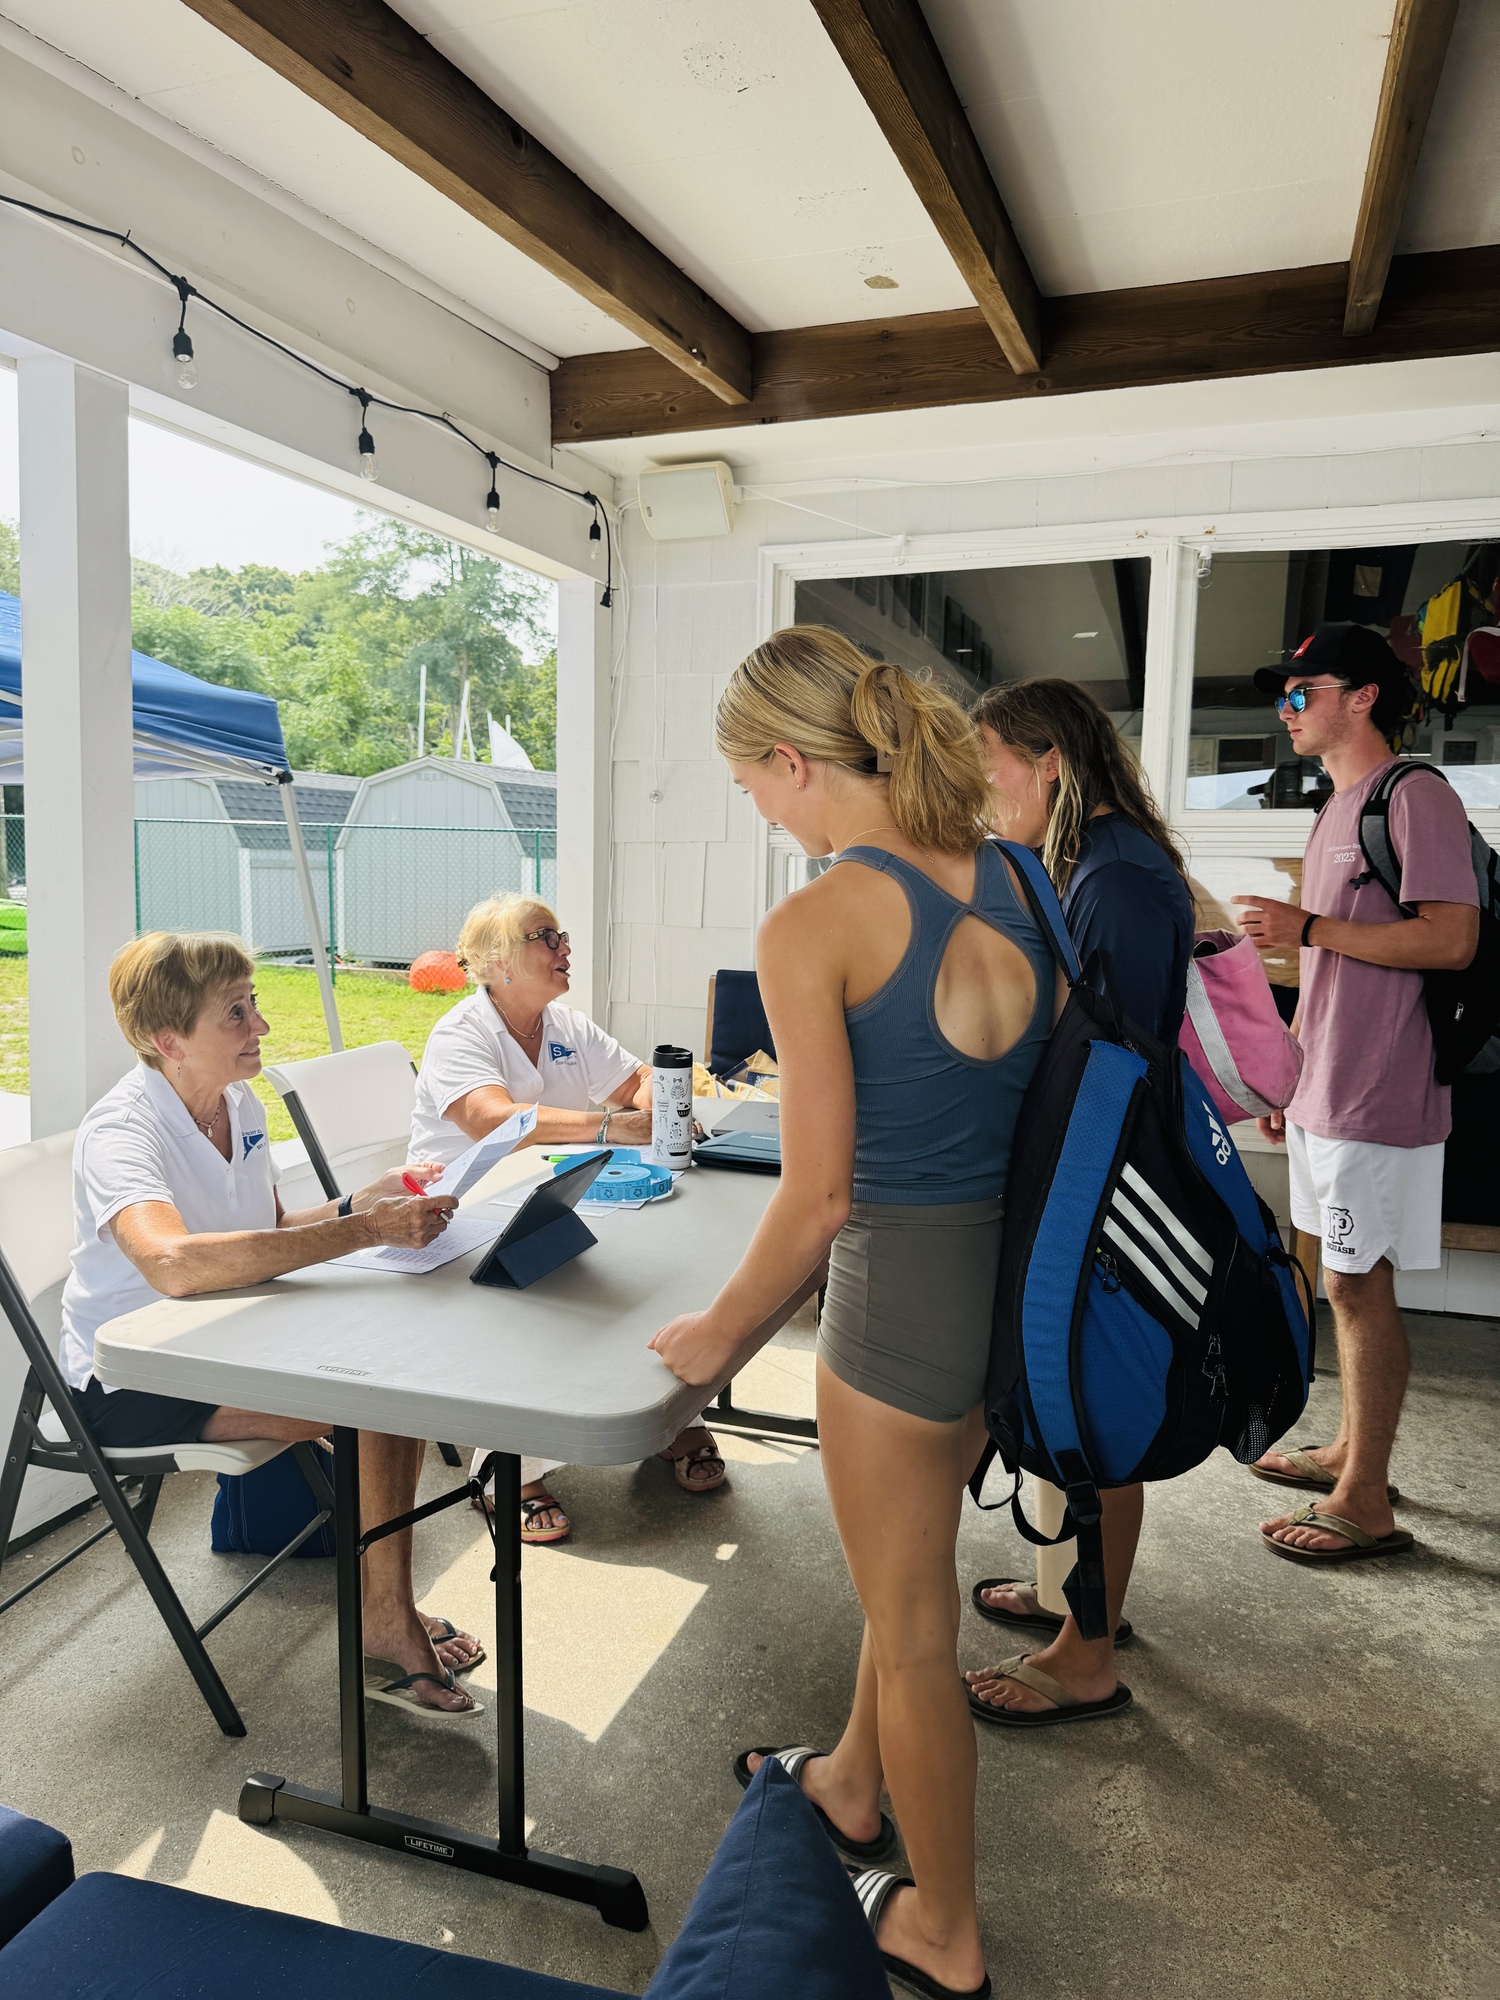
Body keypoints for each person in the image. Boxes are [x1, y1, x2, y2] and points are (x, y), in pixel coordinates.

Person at [650, 627, 1062, 2000]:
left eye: (750, 786)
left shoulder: (815, 919)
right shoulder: (1013, 872)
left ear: (791, 760)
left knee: (918, 1625)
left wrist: (720, 1338)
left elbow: (820, 1197)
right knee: (909, 1580)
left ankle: (945, 1926)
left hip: (893, 1304)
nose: (758, 812)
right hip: (1005, 1287)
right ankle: (841, 1782)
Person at [62, 932, 480, 1719]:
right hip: (132, 1378)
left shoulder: (237, 1104)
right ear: (168, 1041)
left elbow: (274, 1225)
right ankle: (387, 1621)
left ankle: (385, 1611)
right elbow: (175, 1263)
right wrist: (363, 1233)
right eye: (235, 1014)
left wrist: (362, 1205)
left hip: (229, 1339)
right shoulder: (123, 1132)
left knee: (399, 1377)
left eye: (253, 1005)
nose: (259, 1026)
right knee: (380, 1400)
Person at [962, 678, 1194, 1727]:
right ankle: (1068, 1600)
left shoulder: (1120, 878)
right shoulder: (1097, 865)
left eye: (990, 766)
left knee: (1088, 1402)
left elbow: (1118, 1062)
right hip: (1090, 1168)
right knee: (1062, 1400)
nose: (979, 790)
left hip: (1107, 1180)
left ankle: (1089, 1648)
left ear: (1047, 759)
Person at [1232, 625, 1478, 1564]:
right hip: (1326, 1088)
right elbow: (1330, 969)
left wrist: (1310, 925)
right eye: (1283, 696)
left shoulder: (1415, 797)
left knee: (1353, 1282)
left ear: (1363, 696)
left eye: (1301, 694)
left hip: (1381, 1089)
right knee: (1344, 1283)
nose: (1285, 710)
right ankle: (1347, 1451)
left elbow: (1450, 940)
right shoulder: (1338, 807)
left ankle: (1366, 1498)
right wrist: (1286, 1075)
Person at [410, 893, 725, 1542]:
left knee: (662, 1265)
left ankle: (667, 1418)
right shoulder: (461, 1033)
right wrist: (614, 1123)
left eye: (562, 935)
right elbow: (493, 1121)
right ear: (496, 963)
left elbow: (634, 1076)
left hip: (544, 1204)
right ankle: (508, 1467)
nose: (563, 947)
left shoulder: (565, 1027)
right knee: (566, 1279)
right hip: (458, 1220)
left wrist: (655, 1101)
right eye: (543, 936)